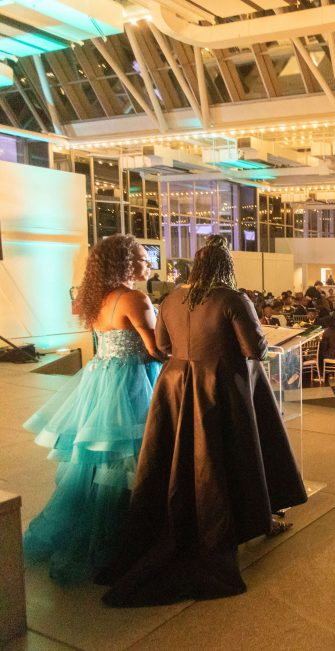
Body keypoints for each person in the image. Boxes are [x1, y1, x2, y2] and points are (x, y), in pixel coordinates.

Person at [101, 235, 306, 606]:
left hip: (177, 387)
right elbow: (254, 349)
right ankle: (241, 521)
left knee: (186, 459)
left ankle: (187, 521)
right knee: (227, 456)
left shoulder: (171, 298)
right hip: (220, 388)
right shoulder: (232, 298)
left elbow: (162, 346)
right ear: (225, 266)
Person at [22, 236, 161, 584]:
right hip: (131, 382)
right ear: (126, 263)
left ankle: (88, 532)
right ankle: (118, 540)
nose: (150, 264)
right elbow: (156, 350)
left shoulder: (98, 298)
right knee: (126, 459)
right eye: (144, 258)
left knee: (95, 461)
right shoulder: (134, 298)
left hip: (100, 380)